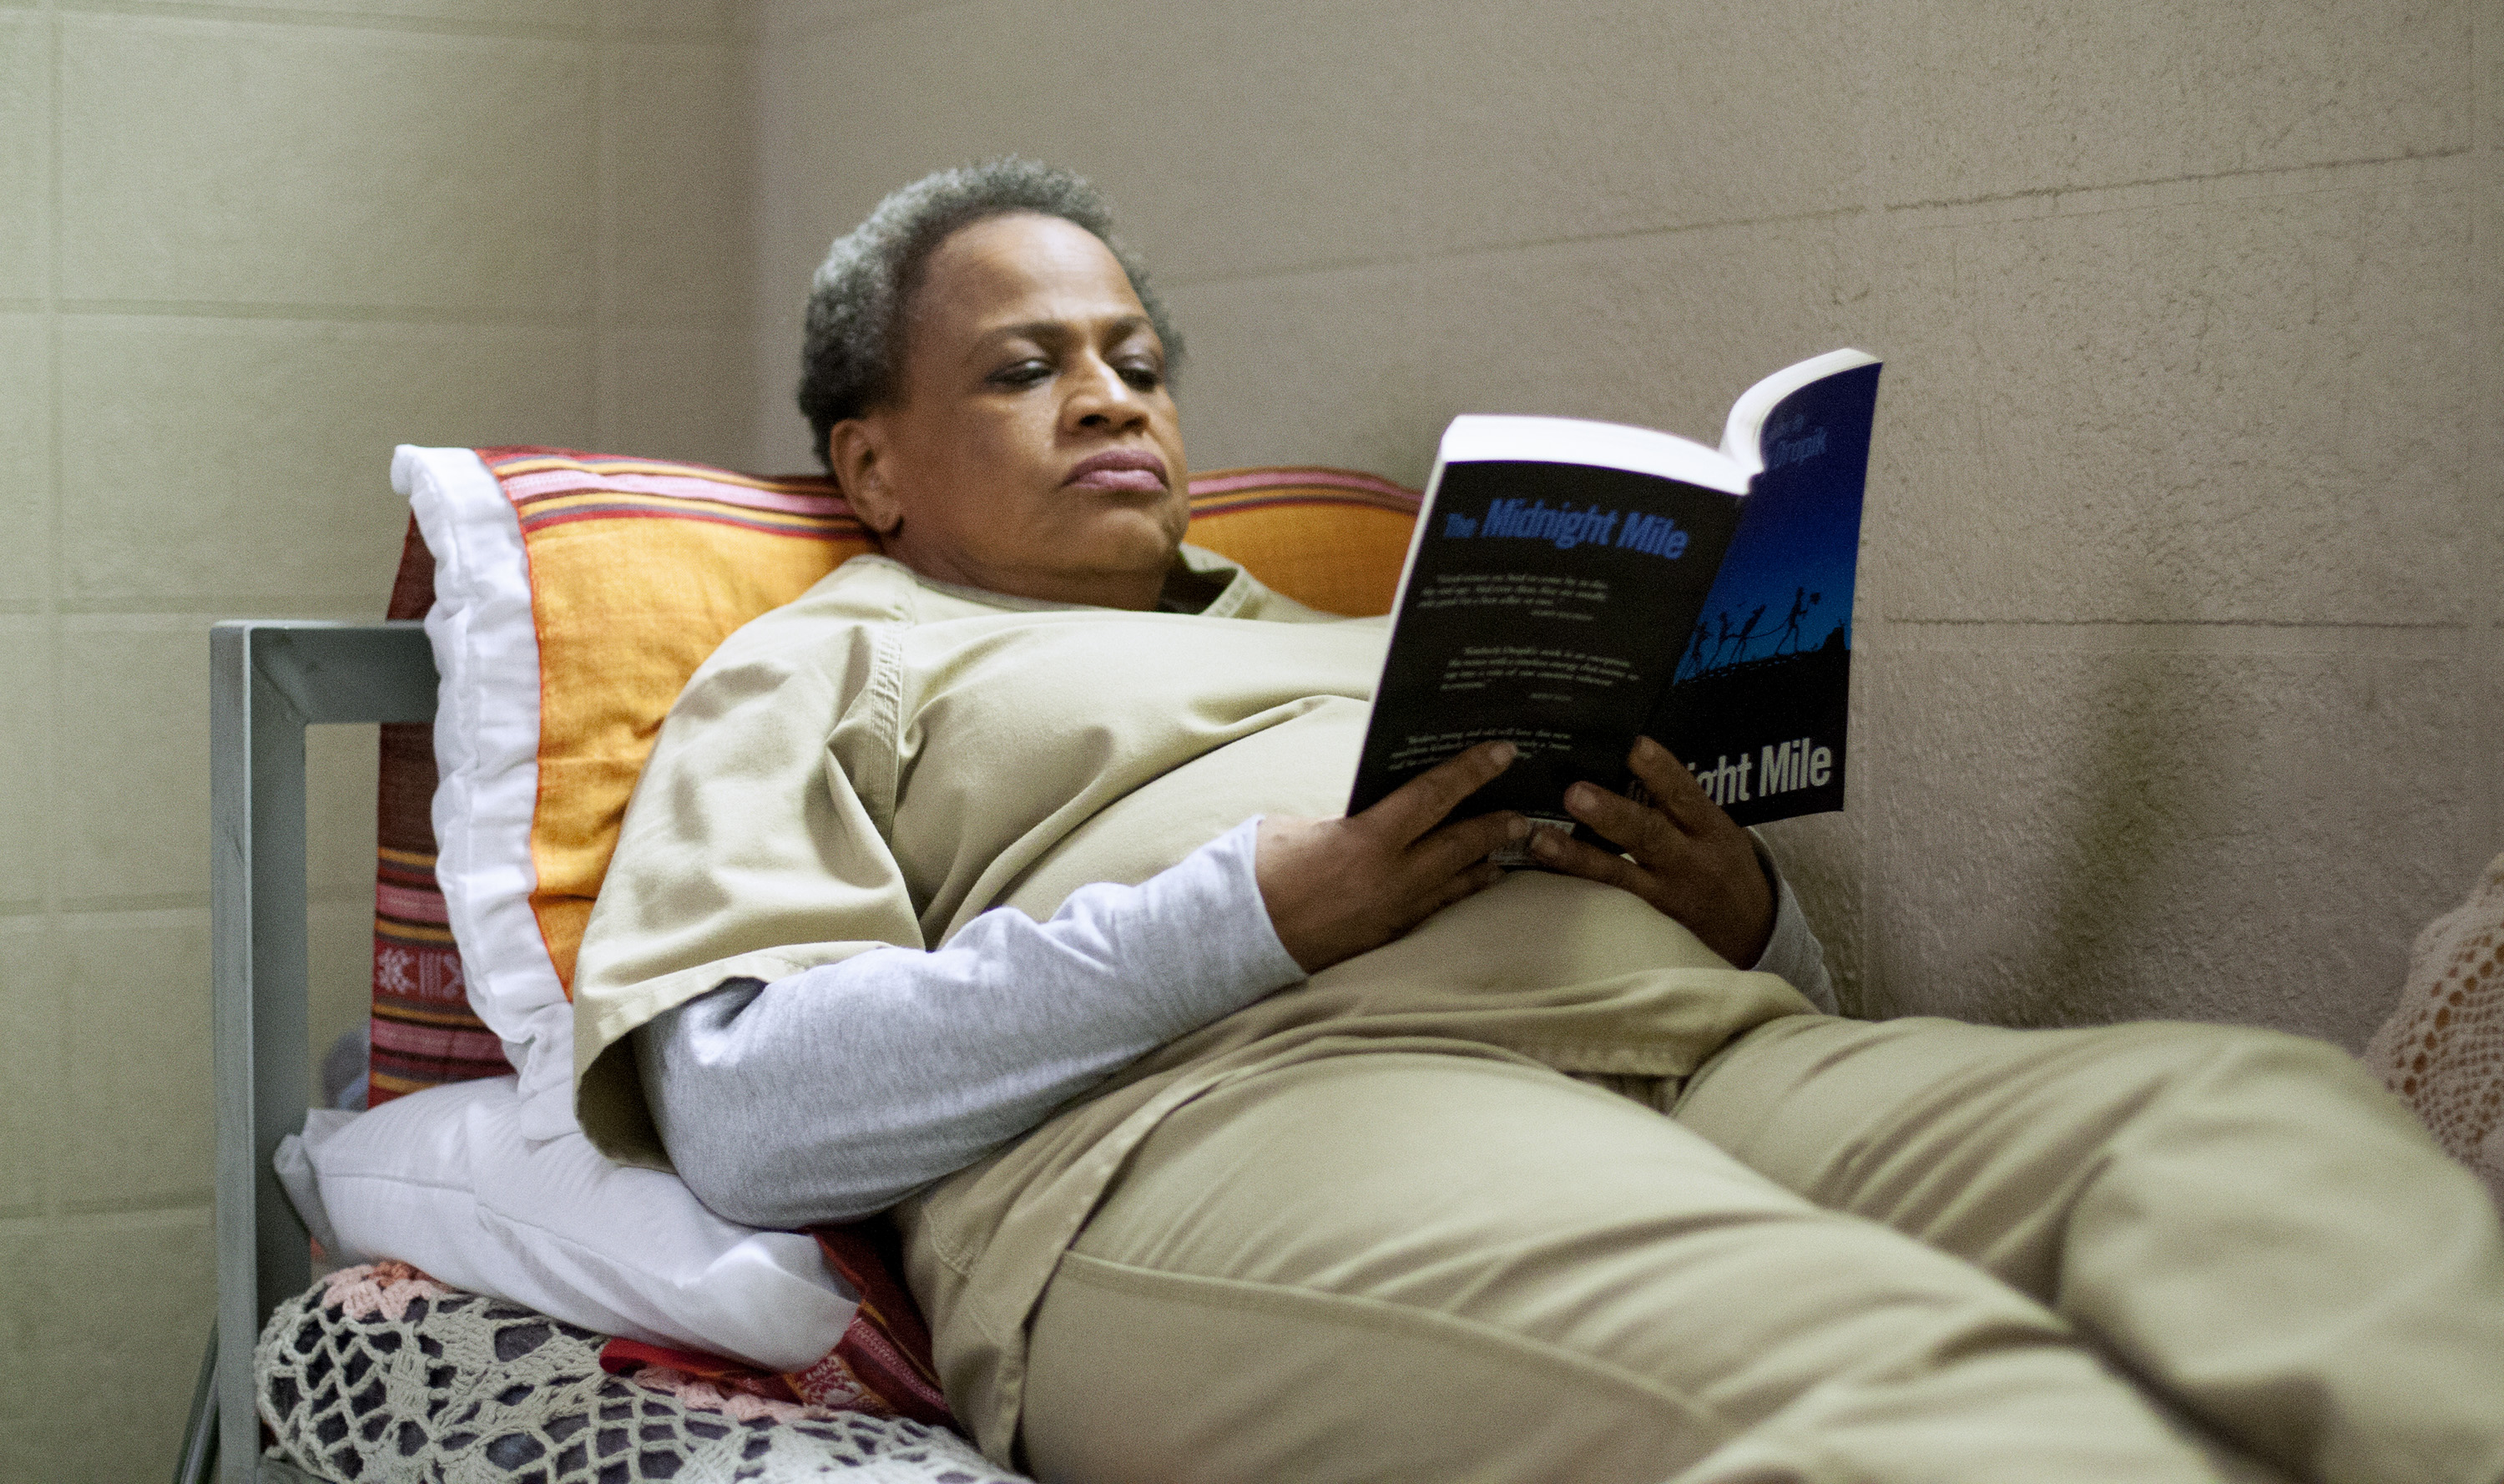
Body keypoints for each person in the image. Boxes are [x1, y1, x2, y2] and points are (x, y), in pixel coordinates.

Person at [571, 159, 2504, 1484]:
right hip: (1250, 1126)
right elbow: (752, 1112)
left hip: (1719, 1057)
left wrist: (1747, 915)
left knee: (2248, 1122)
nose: (1115, 400)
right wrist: (1261, 913)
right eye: (1028, 366)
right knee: (1886, 1369)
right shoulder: (821, 662)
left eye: (1139, 361)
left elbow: (1774, 976)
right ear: (872, 464)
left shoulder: (1359, 623)